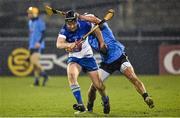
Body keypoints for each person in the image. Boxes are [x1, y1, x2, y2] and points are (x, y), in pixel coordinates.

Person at [77, 13, 154, 112]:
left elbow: (96, 20)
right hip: (106, 63)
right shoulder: (89, 38)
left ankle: (146, 96)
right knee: (94, 86)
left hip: (119, 58)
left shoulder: (103, 27)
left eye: (88, 21)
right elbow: (102, 50)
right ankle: (90, 107)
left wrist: (81, 16)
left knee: (132, 77)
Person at [56, 10, 110, 114]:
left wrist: (102, 43)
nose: (71, 26)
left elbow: (96, 28)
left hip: (88, 57)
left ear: (77, 21)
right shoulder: (64, 30)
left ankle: (105, 99)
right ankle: (81, 105)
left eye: (73, 23)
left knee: (98, 86)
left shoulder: (85, 24)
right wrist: (68, 45)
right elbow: (59, 43)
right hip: (74, 58)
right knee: (71, 76)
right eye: (69, 24)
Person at [27, 7, 48, 86]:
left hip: (38, 45)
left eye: (30, 13)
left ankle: (44, 75)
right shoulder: (30, 22)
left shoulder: (40, 22)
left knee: (34, 61)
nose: (28, 14)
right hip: (32, 45)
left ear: (34, 13)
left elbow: (44, 33)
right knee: (34, 65)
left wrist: (39, 42)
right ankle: (37, 81)